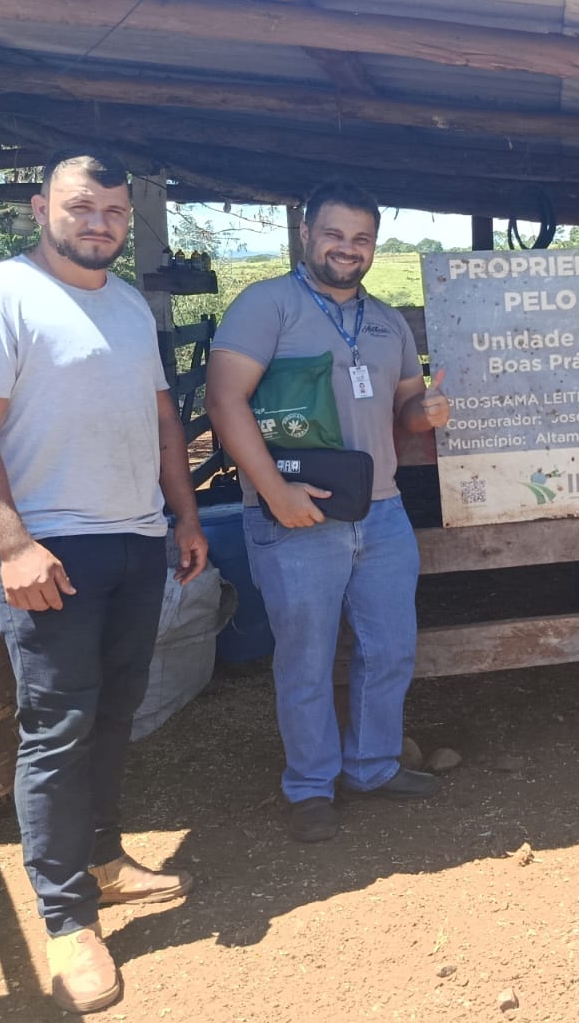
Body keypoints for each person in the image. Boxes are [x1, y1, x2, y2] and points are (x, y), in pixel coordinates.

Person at [0, 148, 206, 1014]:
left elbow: (162, 417)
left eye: (111, 212)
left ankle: (102, 859)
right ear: (40, 208)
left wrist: (183, 517)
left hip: (136, 538)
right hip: (51, 550)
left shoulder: (132, 306)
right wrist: (14, 543)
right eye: (79, 208)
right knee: (58, 728)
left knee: (112, 712)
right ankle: (66, 921)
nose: (96, 223)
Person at [206, 179, 451, 843]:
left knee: (389, 648)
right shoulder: (267, 306)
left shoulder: (387, 320)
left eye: (362, 238)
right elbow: (224, 401)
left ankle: (373, 766)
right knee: (305, 656)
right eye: (335, 234)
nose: (348, 249)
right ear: (308, 235)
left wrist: (422, 413)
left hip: (381, 512)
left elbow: (404, 405)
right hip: (296, 514)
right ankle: (310, 784)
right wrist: (273, 494)